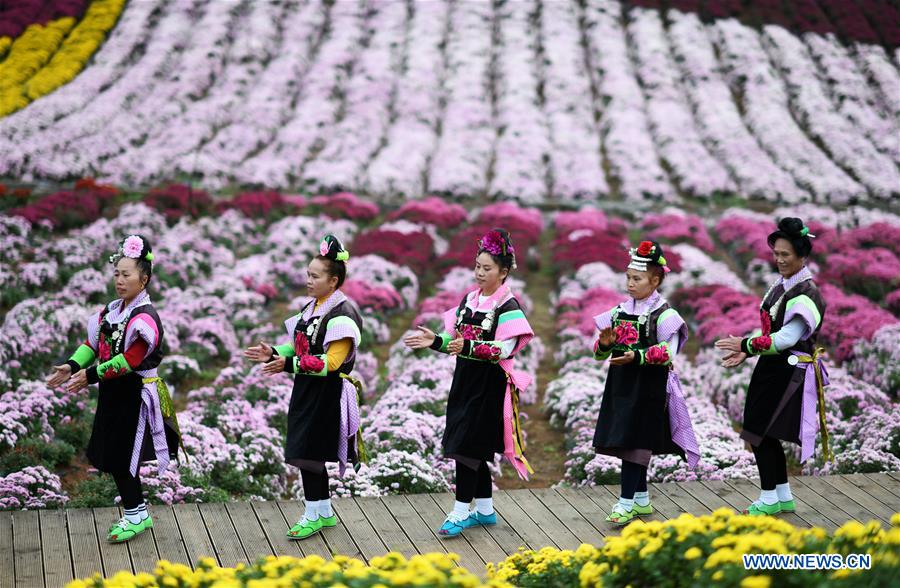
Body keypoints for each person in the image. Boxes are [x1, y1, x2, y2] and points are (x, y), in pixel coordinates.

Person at [47, 234, 179, 542]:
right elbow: (92, 344)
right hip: (114, 392)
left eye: (127, 275)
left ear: (143, 279)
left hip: (136, 394)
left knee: (125, 454)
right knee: (115, 451)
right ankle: (137, 513)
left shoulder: (144, 317)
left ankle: (136, 514)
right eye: (116, 274)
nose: (119, 280)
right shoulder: (111, 311)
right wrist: (72, 366)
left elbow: (131, 360)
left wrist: (90, 376)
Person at [404, 228, 534, 537]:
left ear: (504, 272)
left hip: (489, 384)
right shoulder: (470, 300)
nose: (479, 273)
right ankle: (485, 510)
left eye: (487, 268)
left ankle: (461, 511)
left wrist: (469, 348)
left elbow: (504, 348)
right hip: (464, 380)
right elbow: (455, 340)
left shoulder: (507, 307)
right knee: (470, 445)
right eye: (477, 266)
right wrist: (434, 339)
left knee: (466, 447)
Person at [245, 234, 365, 539]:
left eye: (315, 276)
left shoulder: (342, 314)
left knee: (309, 454)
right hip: (306, 389)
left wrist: (287, 364)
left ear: (334, 280)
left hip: (327, 393)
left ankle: (312, 514)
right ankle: (323, 512)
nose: (308, 280)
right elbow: (299, 347)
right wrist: (274, 352)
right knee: (306, 451)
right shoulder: (313, 307)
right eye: (308, 274)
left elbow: (331, 362)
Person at [716, 218, 828, 516]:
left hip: (788, 370)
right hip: (772, 367)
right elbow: (770, 335)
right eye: (776, 253)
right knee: (763, 432)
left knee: (759, 431)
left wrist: (746, 345)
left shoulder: (806, 293)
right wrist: (748, 352)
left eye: (786, 255)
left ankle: (768, 499)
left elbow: (786, 338)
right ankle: (781, 495)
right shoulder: (784, 286)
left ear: (802, 255)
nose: (779, 260)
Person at [592, 240, 700, 525]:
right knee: (629, 441)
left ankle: (625, 503)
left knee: (636, 443)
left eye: (637, 278)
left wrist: (636, 357)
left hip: (648, 388)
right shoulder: (619, 312)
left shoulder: (665, 316)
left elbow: (668, 353)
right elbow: (599, 352)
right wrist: (604, 345)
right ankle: (640, 500)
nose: (630, 283)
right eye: (628, 277)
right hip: (620, 386)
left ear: (655, 280)